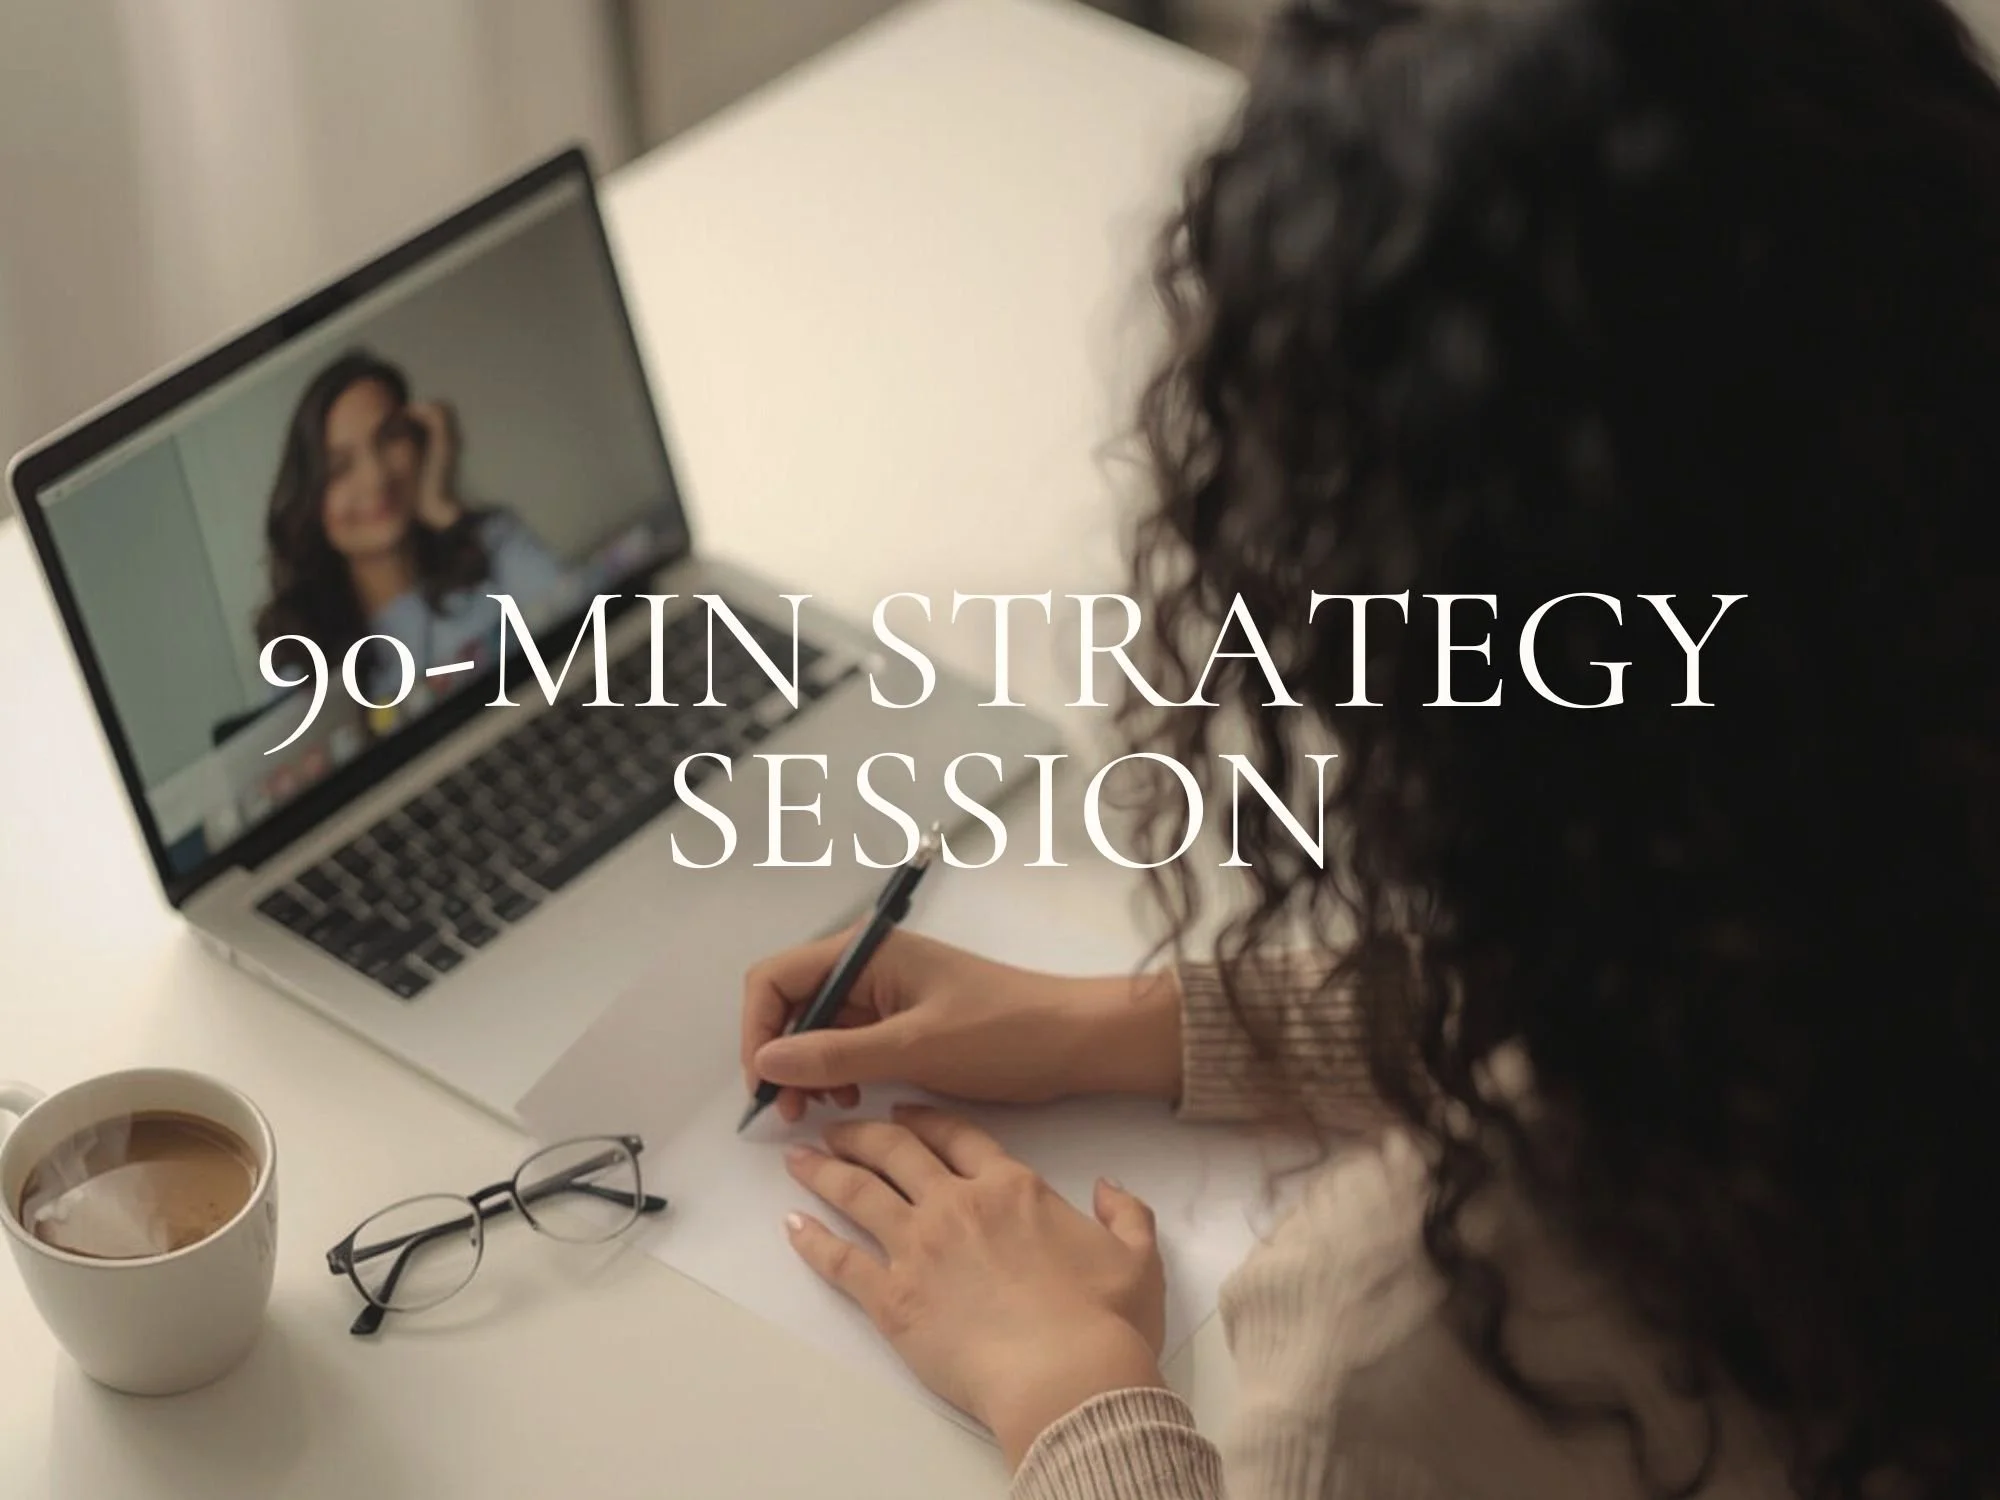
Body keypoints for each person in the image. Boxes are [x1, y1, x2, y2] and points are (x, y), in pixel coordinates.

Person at [738, 1, 2000, 1498]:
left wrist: (1070, 1387)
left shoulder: (1441, 1348)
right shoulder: (1895, 814)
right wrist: (1131, 1028)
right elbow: (1734, 987)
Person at [255, 349, 567, 706]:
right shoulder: (301, 661)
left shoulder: (492, 543)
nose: (376, 476)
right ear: (310, 500)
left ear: (420, 442)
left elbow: (592, 638)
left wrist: (443, 508)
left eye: (390, 437)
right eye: (339, 467)